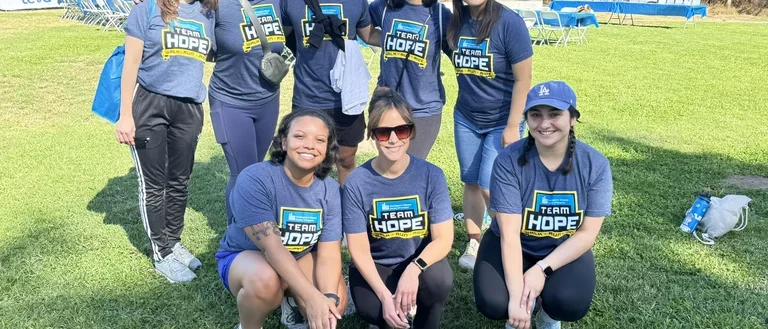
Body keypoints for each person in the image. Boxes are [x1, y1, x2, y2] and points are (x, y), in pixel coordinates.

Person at [473, 81, 613, 329]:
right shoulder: (508, 161)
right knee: (495, 302)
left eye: (555, 114)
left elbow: (587, 234)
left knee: (569, 302)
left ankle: (548, 315)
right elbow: (509, 234)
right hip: (513, 242)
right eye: (536, 115)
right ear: (526, 118)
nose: (544, 123)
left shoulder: (595, 164)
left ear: (572, 119)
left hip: (563, 245)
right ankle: (523, 307)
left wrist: (542, 269)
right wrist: (517, 298)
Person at [215, 110, 348, 329]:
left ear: (327, 149)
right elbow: (272, 249)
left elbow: (329, 253)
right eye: (300, 136)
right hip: (250, 258)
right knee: (265, 281)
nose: (309, 145)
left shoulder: (330, 190)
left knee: (337, 303)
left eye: (320, 140)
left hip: (300, 256)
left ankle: (291, 297)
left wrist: (328, 300)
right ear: (284, 142)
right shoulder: (255, 178)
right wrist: (312, 297)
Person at [115, 0, 217, 283]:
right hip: (150, 105)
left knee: (179, 181)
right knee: (153, 184)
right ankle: (161, 252)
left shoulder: (207, 12)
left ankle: (174, 243)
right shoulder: (146, 9)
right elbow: (131, 63)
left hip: (189, 107)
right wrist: (125, 115)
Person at [343, 87, 455, 329]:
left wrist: (414, 270)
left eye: (401, 130)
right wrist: (384, 295)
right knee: (372, 309)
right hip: (377, 263)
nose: (393, 139)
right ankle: (390, 308)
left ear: (411, 132)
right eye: (383, 133)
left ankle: (423, 318)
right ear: (372, 135)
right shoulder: (357, 182)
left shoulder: (431, 175)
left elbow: (444, 239)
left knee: (439, 282)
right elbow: (358, 249)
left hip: (418, 260)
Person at [445, 0, 532, 270]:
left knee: (488, 185)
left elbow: (524, 79)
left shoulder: (509, 23)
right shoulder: (455, 23)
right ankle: (474, 241)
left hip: (502, 121)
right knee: (470, 180)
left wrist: (512, 125)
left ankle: (511, 239)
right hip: (466, 117)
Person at [281, 0, 378, 185]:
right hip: (308, 97)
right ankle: (309, 208)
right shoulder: (290, 2)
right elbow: (279, 35)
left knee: (346, 160)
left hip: (347, 97)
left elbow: (368, 34)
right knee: (306, 163)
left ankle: (347, 209)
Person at [208, 0, 287, 225]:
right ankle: (237, 238)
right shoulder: (217, 3)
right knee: (242, 174)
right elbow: (181, 9)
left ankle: (254, 227)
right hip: (230, 101)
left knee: (256, 169)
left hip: (267, 99)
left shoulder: (278, 2)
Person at [367, 0, 452, 159]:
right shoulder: (382, 7)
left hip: (423, 109)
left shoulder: (440, 14)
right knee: (387, 165)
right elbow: (364, 31)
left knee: (411, 168)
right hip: (387, 104)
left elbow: (459, 54)